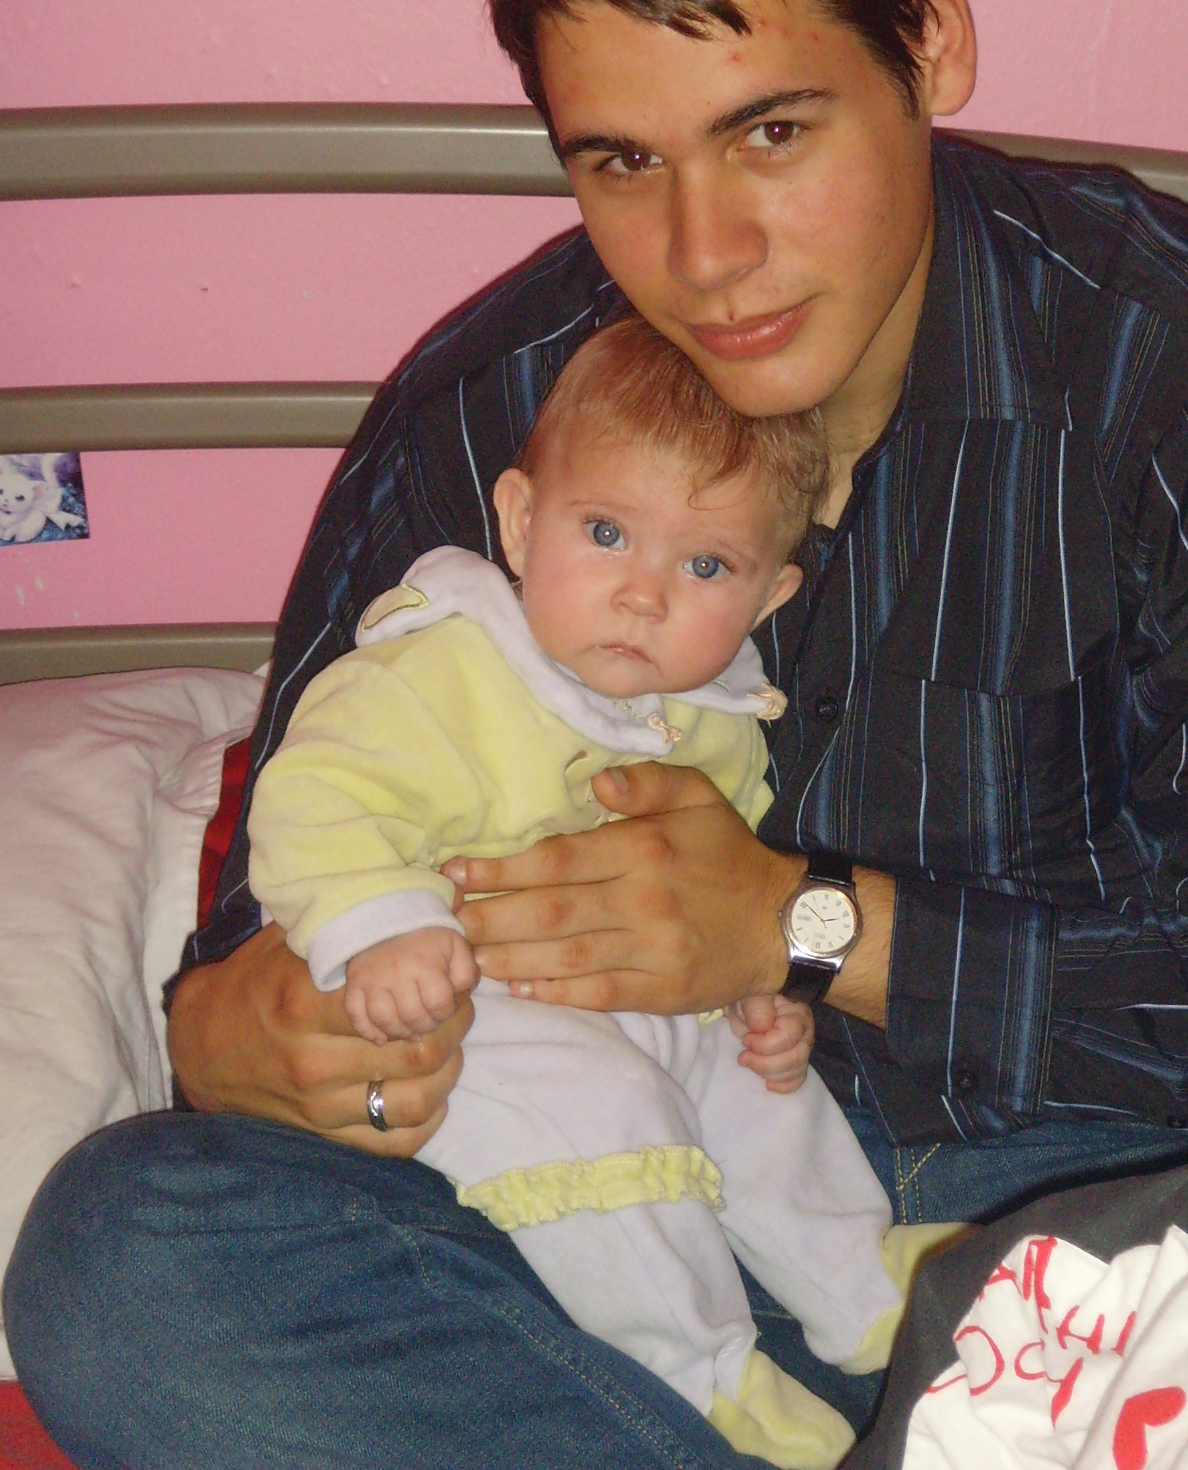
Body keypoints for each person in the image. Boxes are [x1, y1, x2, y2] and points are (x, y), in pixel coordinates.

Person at [7, 0, 1188, 1468]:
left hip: (1111, 1212)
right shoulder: (487, 418)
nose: (704, 253)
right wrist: (258, 1033)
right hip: (594, 1227)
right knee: (125, 1253)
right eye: (621, 162)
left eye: (771, 131)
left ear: (930, 42)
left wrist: (799, 924)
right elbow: (239, 978)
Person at [247, 315, 958, 1469]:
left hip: (642, 995)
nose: (643, 595)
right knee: (605, 1107)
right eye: (608, 532)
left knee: (760, 1083)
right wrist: (384, 925)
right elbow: (313, 795)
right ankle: (697, 1371)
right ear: (521, 519)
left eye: (705, 565)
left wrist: (756, 984)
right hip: (471, 1009)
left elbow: (726, 893)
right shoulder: (443, 667)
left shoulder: (720, 714)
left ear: (768, 594)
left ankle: (860, 1287)